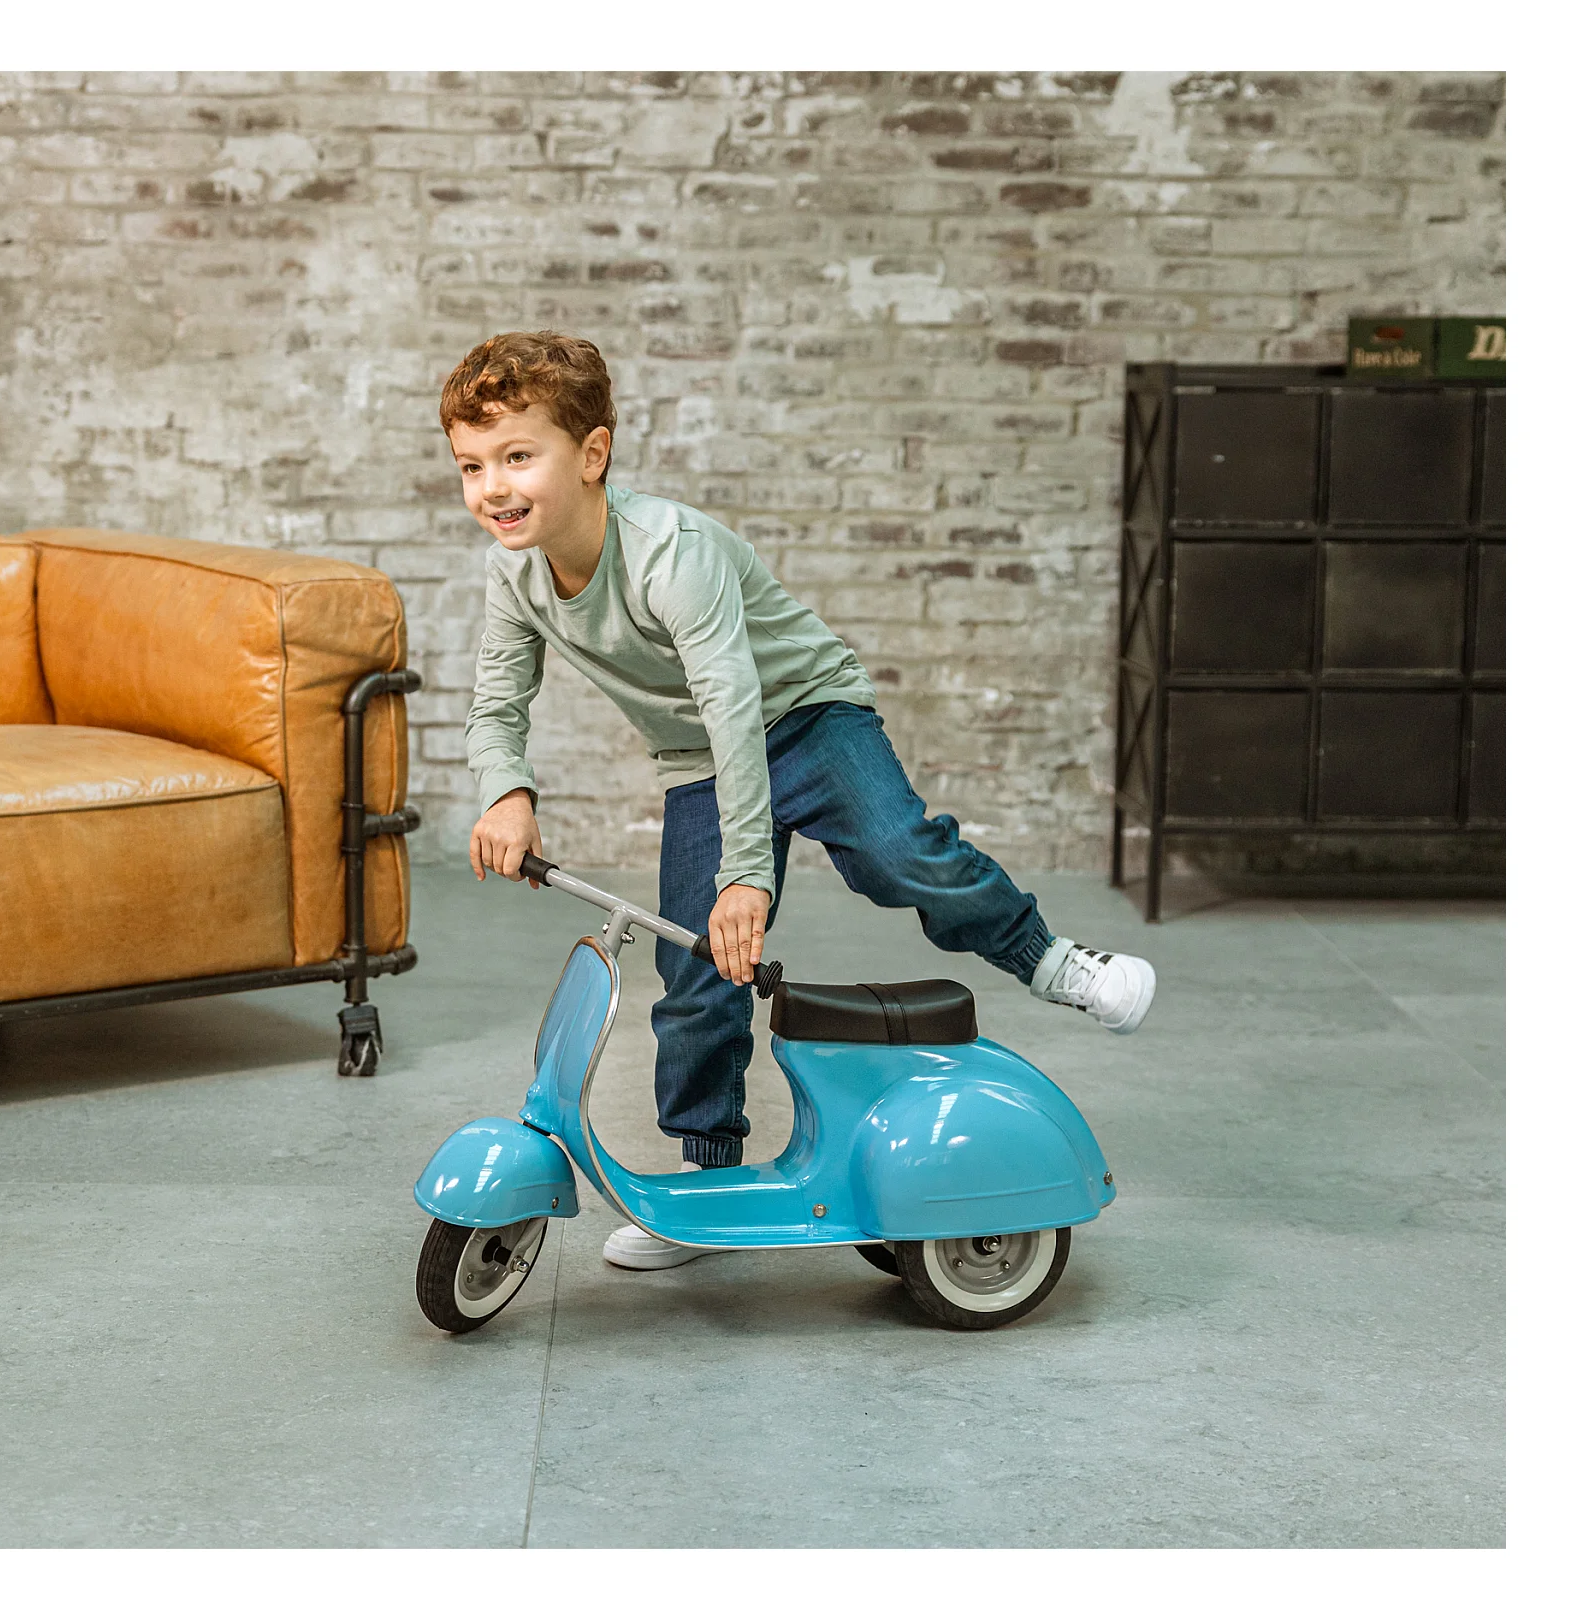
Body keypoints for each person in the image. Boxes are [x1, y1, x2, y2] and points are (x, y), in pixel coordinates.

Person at [447, 331, 1155, 1271]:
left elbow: (734, 706)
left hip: (808, 715)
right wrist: (506, 791)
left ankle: (1051, 959)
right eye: (472, 465)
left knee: (899, 853)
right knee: (697, 972)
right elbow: (497, 704)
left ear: (592, 454)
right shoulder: (516, 574)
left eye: (516, 457)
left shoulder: (672, 554)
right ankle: (706, 1180)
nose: (492, 487)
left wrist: (747, 876)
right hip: (703, 760)